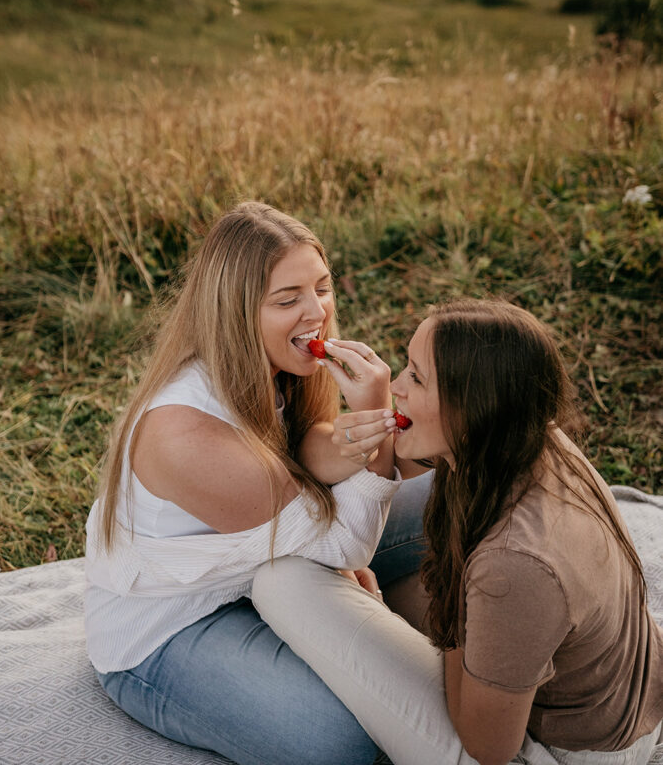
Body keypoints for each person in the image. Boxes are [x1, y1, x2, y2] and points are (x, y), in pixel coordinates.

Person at [84, 201, 430, 765]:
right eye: (287, 300)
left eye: (321, 287)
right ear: (235, 311)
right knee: (338, 743)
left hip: (267, 566)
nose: (316, 311)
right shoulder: (183, 431)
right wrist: (374, 418)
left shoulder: (275, 368)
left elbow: (309, 447)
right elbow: (343, 544)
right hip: (176, 622)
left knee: (450, 495)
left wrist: (359, 438)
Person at [253, 299, 663, 765]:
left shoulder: (514, 565)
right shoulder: (523, 435)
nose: (396, 387)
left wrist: (446, 609)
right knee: (356, 576)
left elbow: (488, 746)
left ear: (474, 406)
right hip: (618, 696)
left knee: (280, 581)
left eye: (416, 377)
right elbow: (377, 461)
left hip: (563, 750)